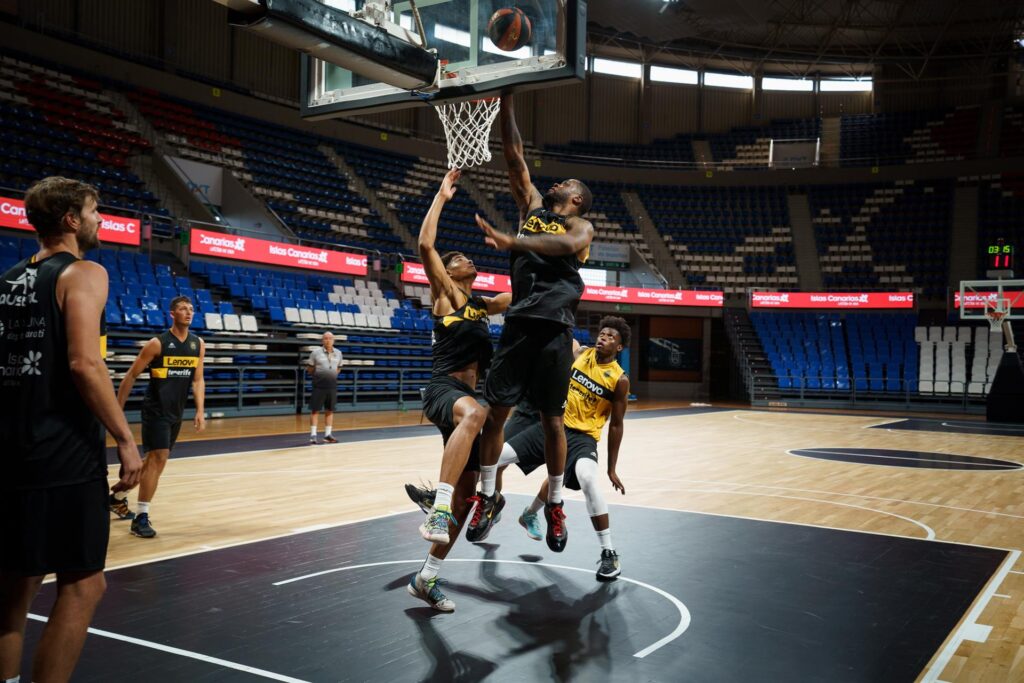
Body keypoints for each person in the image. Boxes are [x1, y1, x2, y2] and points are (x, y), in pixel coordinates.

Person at [0, 176, 143, 682]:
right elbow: (85, 362)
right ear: (71, 220)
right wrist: (125, 438)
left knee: (13, 589)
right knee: (84, 585)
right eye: (94, 210)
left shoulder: (8, 278)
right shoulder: (83, 272)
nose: (100, 219)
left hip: (10, 448)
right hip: (62, 451)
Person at [405, 317, 630, 581]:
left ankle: (608, 552)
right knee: (490, 458)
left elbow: (616, 425)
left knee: (588, 479)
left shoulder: (619, 379)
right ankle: (459, 499)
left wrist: (612, 468)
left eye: (610, 336)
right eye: (602, 333)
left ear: (619, 347)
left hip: (583, 438)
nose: (603, 337)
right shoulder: (580, 353)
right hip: (551, 425)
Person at [469, 93, 595, 552]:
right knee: (495, 416)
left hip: (554, 328)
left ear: (576, 199)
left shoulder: (581, 229)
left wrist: (513, 242)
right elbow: (514, 154)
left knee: (552, 422)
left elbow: (563, 248)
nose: (556, 183)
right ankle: (487, 496)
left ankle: (555, 504)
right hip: (519, 324)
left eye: (567, 183)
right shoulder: (532, 207)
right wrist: (506, 103)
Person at [410, 168, 510, 612]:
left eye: (469, 258)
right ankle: (438, 505)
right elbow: (425, 245)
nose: (468, 260)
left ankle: (426, 578)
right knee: (477, 413)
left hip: (466, 400)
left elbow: (525, 295)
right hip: (443, 390)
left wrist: (524, 250)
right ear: (449, 272)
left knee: (466, 501)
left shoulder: (482, 306)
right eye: (460, 259)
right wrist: (441, 196)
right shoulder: (447, 294)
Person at [113, 296, 205, 538]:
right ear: (172, 314)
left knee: (154, 462)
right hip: (156, 410)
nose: (189, 312)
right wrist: (116, 410)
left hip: (176, 412)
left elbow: (198, 380)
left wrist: (199, 410)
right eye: (183, 309)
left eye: (191, 309)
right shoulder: (157, 343)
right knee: (159, 458)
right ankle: (141, 518)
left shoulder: (198, 344)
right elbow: (130, 376)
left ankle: (118, 496)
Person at [306, 331, 343, 444]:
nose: (328, 340)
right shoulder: (315, 353)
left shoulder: (339, 353)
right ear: (322, 340)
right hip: (319, 386)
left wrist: (331, 376)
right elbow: (310, 369)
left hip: (331, 386)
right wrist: (320, 376)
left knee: (330, 410)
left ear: (333, 340)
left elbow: (339, 368)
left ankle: (327, 435)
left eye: (330, 338)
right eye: (325, 338)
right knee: (315, 410)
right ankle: (313, 435)